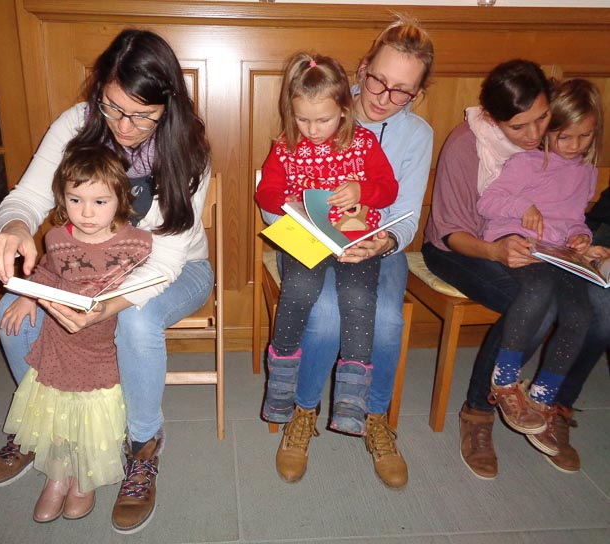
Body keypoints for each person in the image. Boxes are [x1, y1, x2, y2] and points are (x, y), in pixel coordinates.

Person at [0, 29, 212, 534]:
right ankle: (46, 430)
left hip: (177, 270)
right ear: (99, 90)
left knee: (137, 322)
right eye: (112, 107)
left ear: (168, 105)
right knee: (9, 313)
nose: (124, 127)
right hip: (88, 265)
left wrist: (102, 305)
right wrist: (14, 228)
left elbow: (167, 260)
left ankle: (142, 446)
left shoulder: (188, 148)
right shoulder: (75, 125)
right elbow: (27, 198)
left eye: (142, 115)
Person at [259, 16, 434, 487]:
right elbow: (271, 196)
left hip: (377, 240)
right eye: (378, 80)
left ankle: (373, 416)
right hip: (307, 237)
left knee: (388, 318)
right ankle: (303, 410)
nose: (384, 97)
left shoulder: (413, 136)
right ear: (362, 69)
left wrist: (384, 239)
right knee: (323, 313)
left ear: (417, 93)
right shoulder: (318, 103)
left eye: (402, 91)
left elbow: (404, 210)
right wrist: (297, 214)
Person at [423, 59, 610, 479]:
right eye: (518, 127)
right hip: (461, 246)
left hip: (537, 250)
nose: (533, 135)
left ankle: (553, 403)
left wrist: (580, 241)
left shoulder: (559, 149)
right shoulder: (466, 145)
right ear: (493, 118)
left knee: (600, 305)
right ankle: (478, 411)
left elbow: (568, 210)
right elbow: (452, 231)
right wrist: (495, 251)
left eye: (542, 119)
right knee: (536, 303)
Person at [1, 145, 152, 522]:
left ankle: (84, 479)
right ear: (62, 199)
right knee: (57, 413)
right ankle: (58, 476)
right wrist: (27, 296)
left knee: (90, 420)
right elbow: (47, 272)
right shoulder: (56, 238)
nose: (86, 212)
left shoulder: (138, 243)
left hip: (102, 348)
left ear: (120, 199)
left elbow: (148, 287)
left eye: (100, 201)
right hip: (60, 344)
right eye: (75, 200)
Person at [477, 78, 602, 455]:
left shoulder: (586, 171)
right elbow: (488, 203)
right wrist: (523, 207)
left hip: (560, 253)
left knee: (581, 315)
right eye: (565, 137)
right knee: (538, 289)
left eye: (585, 136)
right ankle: (504, 377)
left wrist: (581, 237)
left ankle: (544, 394)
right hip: (520, 243)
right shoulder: (527, 163)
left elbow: (574, 218)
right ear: (549, 130)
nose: (575, 145)